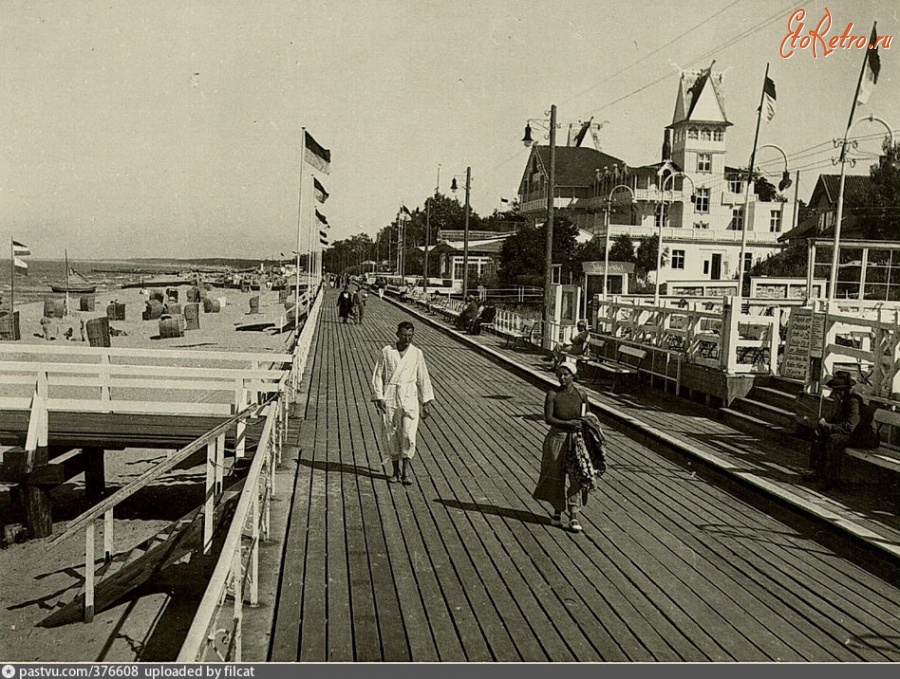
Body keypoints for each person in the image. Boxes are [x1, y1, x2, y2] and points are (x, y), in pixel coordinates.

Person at [533, 360, 604, 533]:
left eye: (566, 375)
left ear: (573, 376)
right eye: (560, 375)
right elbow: (549, 419)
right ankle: (557, 512)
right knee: (555, 475)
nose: (562, 378)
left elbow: (587, 415)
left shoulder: (581, 394)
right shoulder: (552, 394)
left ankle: (573, 515)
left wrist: (586, 424)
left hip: (576, 440)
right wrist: (568, 423)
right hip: (557, 437)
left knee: (577, 477)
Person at [372, 321, 434, 485]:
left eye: (410, 335)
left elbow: (423, 377)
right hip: (391, 394)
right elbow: (378, 375)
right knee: (391, 433)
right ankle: (395, 471)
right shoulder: (387, 352)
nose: (407, 339)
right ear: (397, 334)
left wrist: (425, 402)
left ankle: (406, 471)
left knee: (408, 434)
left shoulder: (416, 353)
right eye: (404, 335)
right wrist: (379, 396)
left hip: (409, 396)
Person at [805, 370, 880, 490]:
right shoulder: (842, 399)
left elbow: (849, 427)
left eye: (837, 390)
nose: (834, 393)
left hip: (865, 437)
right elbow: (835, 419)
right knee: (819, 433)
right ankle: (818, 472)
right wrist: (823, 423)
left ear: (844, 389)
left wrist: (827, 426)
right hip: (853, 434)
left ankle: (832, 479)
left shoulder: (854, 401)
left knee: (835, 439)